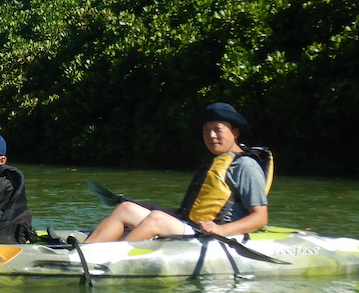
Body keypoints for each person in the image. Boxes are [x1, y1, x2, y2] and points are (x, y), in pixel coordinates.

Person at [83, 102, 269, 244]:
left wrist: (222, 230)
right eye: (206, 131)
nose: (211, 136)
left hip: (213, 235)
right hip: (191, 226)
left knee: (156, 219)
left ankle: (111, 261)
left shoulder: (246, 166)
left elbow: (260, 217)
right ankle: (83, 253)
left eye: (217, 130)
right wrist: (153, 207)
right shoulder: (212, 162)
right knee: (126, 209)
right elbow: (187, 214)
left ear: (235, 132)